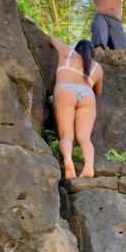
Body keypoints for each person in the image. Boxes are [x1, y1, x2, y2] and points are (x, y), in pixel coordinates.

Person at [49, 36, 103, 179]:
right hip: (87, 95)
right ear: (92, 53)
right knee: (84, 138)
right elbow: (98, 91)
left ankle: (68, 161)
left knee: (67, 136)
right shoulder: (97, 67)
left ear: (77, 48)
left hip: (65, 90)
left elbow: (53, 39)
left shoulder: (66, 52)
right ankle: (89, 166)